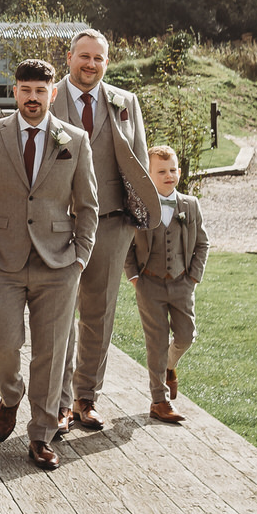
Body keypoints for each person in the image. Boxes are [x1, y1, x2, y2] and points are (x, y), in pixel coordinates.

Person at [0, 58, 98, 470]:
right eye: (26, 90)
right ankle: (10, 394)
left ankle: (41, 435)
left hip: (58, 264)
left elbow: (88, 205)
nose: (33, 98)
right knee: (3, 340)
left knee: (51, 352)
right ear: (15, 91)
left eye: (41, 91)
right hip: (0, 261)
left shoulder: (74, 139)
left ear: (52, 94)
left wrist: (80, 257)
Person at [53, 29, 159, 433]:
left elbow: (140, 168)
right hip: (59, 225)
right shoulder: (48, 98)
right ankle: (58, 402)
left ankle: (86, 398)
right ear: (69, 57)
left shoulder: (125, 102)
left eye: (98, 58)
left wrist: (138, 220)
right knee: (58, 315)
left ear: (106, 63)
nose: (90, 64)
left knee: (99, 314)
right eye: (84, 56)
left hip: (113, 224)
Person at [125, 144, 209, 425]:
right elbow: (126, 245)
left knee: (186, 336)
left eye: (172, 170)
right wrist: (134, 276)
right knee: (156, 342)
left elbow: (202, 243)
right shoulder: (139, 207)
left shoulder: (190, 205)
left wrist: (194, 277)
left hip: (182, 283)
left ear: (179, 171)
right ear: (149, 175)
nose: (168, 175)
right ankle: (159, 400)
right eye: (161, 171)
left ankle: (170, 366)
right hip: (149, 283)